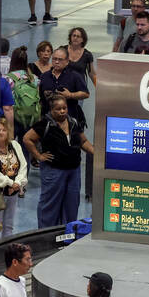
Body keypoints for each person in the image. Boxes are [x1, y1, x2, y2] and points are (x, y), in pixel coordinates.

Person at [23, 95, 94, 228]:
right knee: (50, 204)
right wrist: (38, 156)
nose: (62, 111)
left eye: (64, 108)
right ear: (51, 110)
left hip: (74, 170)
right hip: (53, 171)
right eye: (58, 109)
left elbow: (83, 141)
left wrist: (96, 152)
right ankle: (46, 236)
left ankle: (67, 234)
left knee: (72, 204)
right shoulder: (45, 124)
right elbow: (27, 139)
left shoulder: (73, 122)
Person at [66, 27, 98, 199]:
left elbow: (92, 74)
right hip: (63, 92)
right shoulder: (64, 51)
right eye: (73, 36)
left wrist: (100, 89)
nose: (76, 38)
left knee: (74, 117)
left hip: (78, 94)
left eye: (78, 36)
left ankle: (73, 139)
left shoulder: (87, 55)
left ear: (83, 39)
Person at [39, 46, 89, 129]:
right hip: (48, 121)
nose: (57, 62)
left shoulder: (75, 76)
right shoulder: (44, 76)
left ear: (67, 61)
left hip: (69, 121)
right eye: (54, 59)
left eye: (60, 59)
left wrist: (70, 95)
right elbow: (40, 99)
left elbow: (86, 94)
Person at [0, 118, 28, 238]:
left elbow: (23, 166)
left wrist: (18, 183)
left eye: (4, 130)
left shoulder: (15, 145)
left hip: (13, 192)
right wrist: (11, 183)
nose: (1, 132)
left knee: (9, 226)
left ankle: (6, 252)